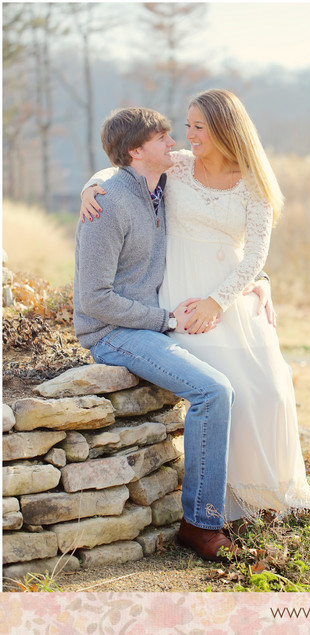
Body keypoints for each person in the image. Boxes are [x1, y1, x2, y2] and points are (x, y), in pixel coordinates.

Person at [80, 89, 310, 524]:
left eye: (198, 127)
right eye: (186, 126)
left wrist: (224, 299)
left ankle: (269, 495)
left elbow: (254, 256)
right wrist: (90, 186)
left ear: (225, 130)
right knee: (222, 391)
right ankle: (223, 507)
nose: (187, 136)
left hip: (227, 292)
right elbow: (123, 166)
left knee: (269, 391)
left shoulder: (255, 182)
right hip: (178, 293)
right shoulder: (176, 166)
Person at [74, 106, 239, 561]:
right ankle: (201, 524)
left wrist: (256, 281)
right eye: (163, 137)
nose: (174, 143)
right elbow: (93, 299)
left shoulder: (158, 186)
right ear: (136, 150)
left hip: (148, 324)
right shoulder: (107, 203)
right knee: (214, 390)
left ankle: (242, 502)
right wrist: (164, 320)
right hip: (113, 332)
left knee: (239, 377)